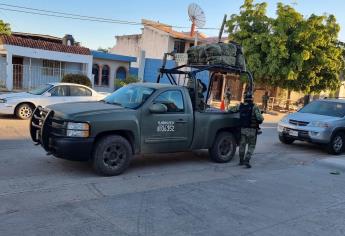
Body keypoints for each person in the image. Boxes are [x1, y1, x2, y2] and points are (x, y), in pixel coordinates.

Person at [229, 94, 264, 168]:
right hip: (252, 130)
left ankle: (241, 161)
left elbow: (231, 109)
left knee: (242, 145)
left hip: (243, 130)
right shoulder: (254, 107)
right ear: (252, 99)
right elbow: (260, 118)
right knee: (251, 146)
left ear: (244, 99)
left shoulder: (240, 106)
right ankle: (247, 160)